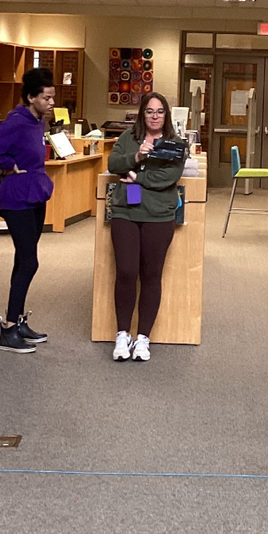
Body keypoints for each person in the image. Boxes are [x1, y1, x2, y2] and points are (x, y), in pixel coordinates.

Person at [0, 68, 55, 353]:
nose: (51, 102)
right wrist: (6, 163)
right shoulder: (17, 121)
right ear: (31, 97)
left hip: (36, 194)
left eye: (53, 96)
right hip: (17, 196)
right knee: (30, 261)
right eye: (46, 97)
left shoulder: (38, 122)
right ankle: (7, 329)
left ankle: (17, 321)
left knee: (24, 258)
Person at [107, 92, 186, 363]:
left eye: (160, 111)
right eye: (150, 111)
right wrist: (137, 157)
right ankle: (122, 334)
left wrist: (136, 176)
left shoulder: (176, 144)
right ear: (142, 113)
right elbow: (113, 163)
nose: (154, 116)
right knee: (126, 271)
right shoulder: (128, 138)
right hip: (125, 213)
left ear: (166, 115)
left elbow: (169, 176)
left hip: (159, 216)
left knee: (151, 274)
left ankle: (143, 338)